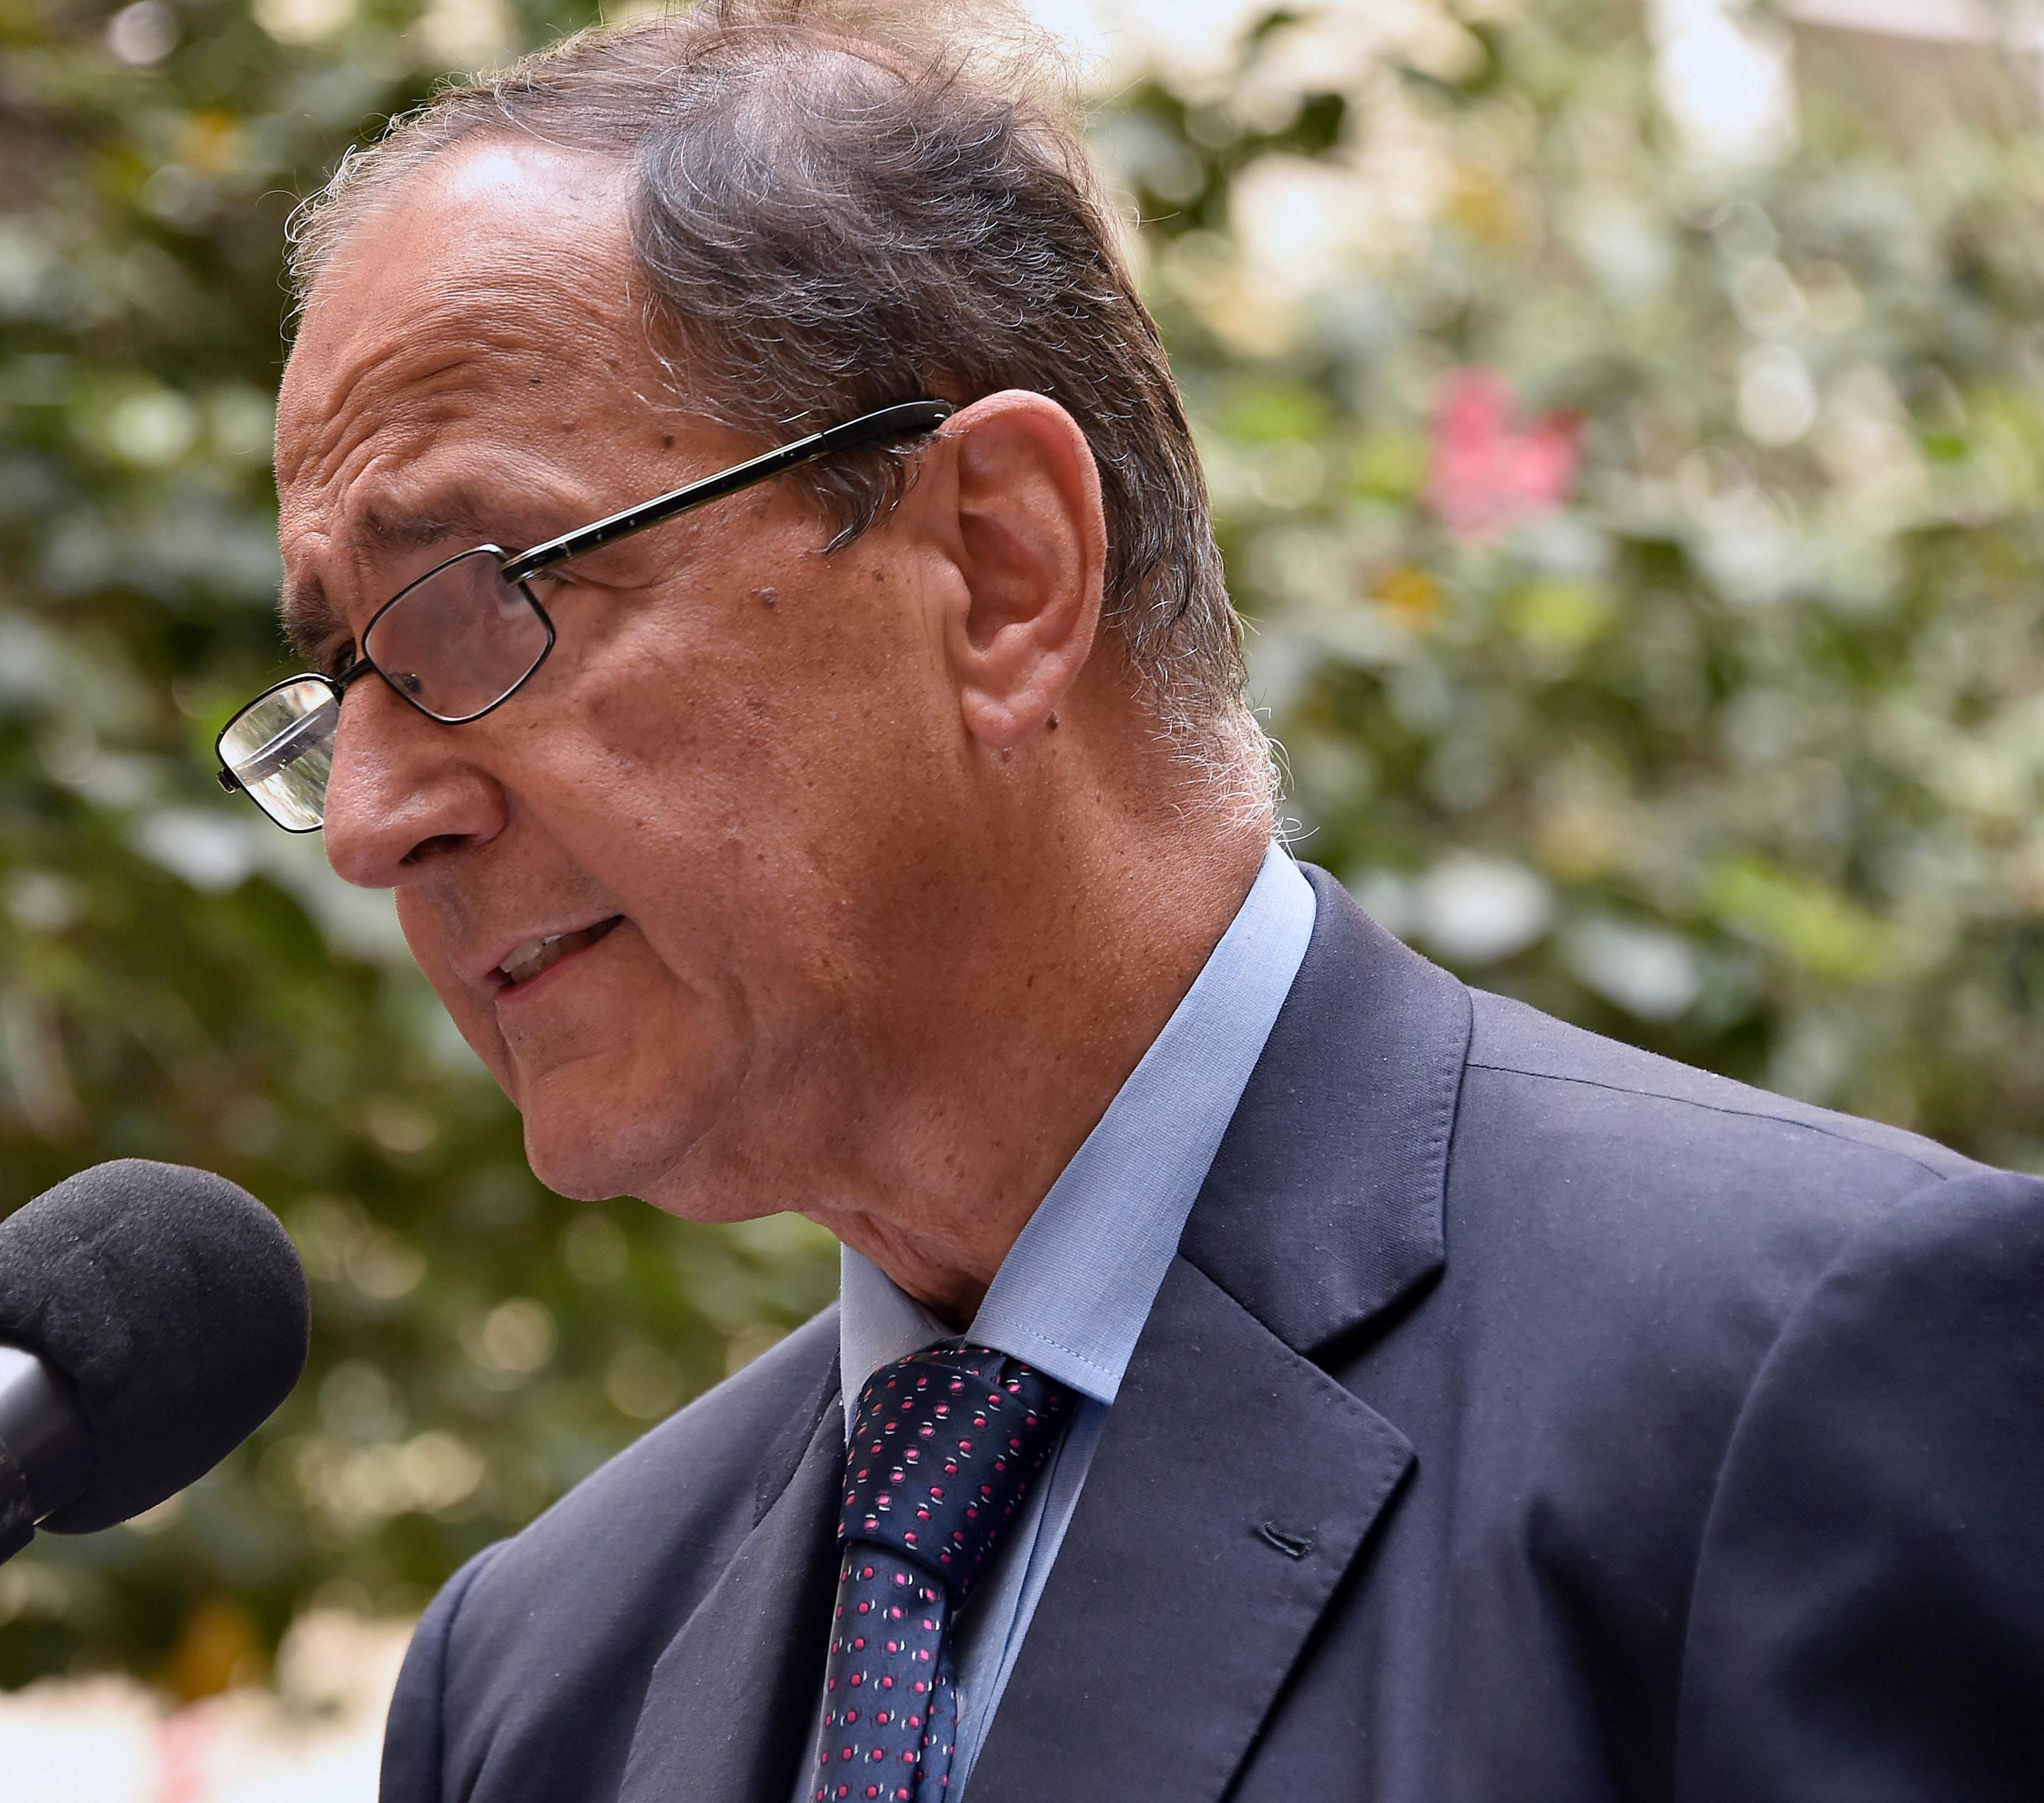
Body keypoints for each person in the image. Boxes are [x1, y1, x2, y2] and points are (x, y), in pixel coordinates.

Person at [219, 6, 2044, 1799]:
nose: (373, 820)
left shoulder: (1805, 1380)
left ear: (1004, 572)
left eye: (472, 609)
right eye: (338, 685)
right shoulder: (540, 1672)